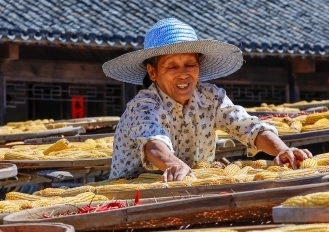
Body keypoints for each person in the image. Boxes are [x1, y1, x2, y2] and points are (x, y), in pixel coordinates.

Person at [103, 18, 312, 181]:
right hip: (136, 192)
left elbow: (248, 127)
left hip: (192, 186)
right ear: (153, 73)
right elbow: (153, 145)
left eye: (190, 64)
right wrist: (173, 165)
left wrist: (283, 150)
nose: (183, 74)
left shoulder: (211, 97)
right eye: (172, 66)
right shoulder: (143, 105)